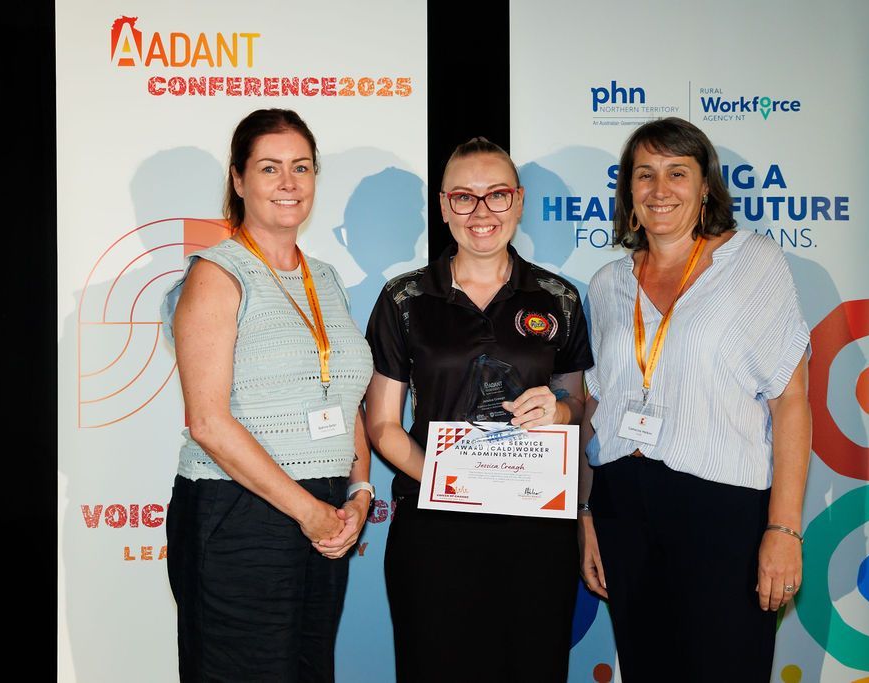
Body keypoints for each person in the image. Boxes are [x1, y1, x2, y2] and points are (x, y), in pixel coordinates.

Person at [578, 116, 811, 682]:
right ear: (629, 191)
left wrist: (783, 530)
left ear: (705, 186)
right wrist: (586, 515)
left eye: (677, 172)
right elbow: (593, 410)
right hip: (622, 506)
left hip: (721, 512)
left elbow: (791, 401)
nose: (661, 190)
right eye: (645, 174)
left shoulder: (753, 263)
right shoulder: (607, 283)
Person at [365, 138, 593, 682]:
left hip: (536, 527)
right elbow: (381, 424)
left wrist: (560, 413)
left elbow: (578, 401)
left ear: (518, 201)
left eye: (496, 196)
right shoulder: (405, 298)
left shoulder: (558, 297)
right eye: (464, 198)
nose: (481, 212)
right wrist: (448, 481)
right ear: (444, 206)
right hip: (435, 528)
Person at [160, 108, 375, 682]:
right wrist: (309, 513)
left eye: (301, 168)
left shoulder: (325, 277)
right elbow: (207, 422)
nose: (289, 183)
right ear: (238, 179)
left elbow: (344, 395)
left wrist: (357, 491)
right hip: (240, 512)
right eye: (270, 167)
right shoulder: (216, 274)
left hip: (325, 512)